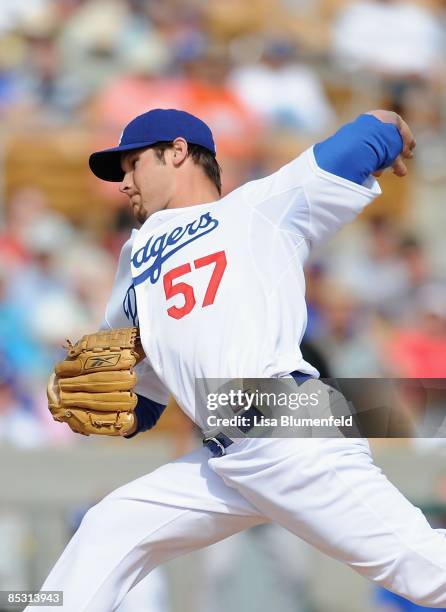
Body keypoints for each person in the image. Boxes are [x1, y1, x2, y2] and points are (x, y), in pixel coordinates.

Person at [29, 107, 446, 611]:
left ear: (177, 151)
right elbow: (142, 402)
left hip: (288, 429)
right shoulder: (134, 258)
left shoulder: (257, 209)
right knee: (109, 527)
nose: (124, 181)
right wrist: (109, 414)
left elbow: (362, 139)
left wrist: (387, 124)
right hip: (226, 456)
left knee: (422, 568)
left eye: (132, 163)